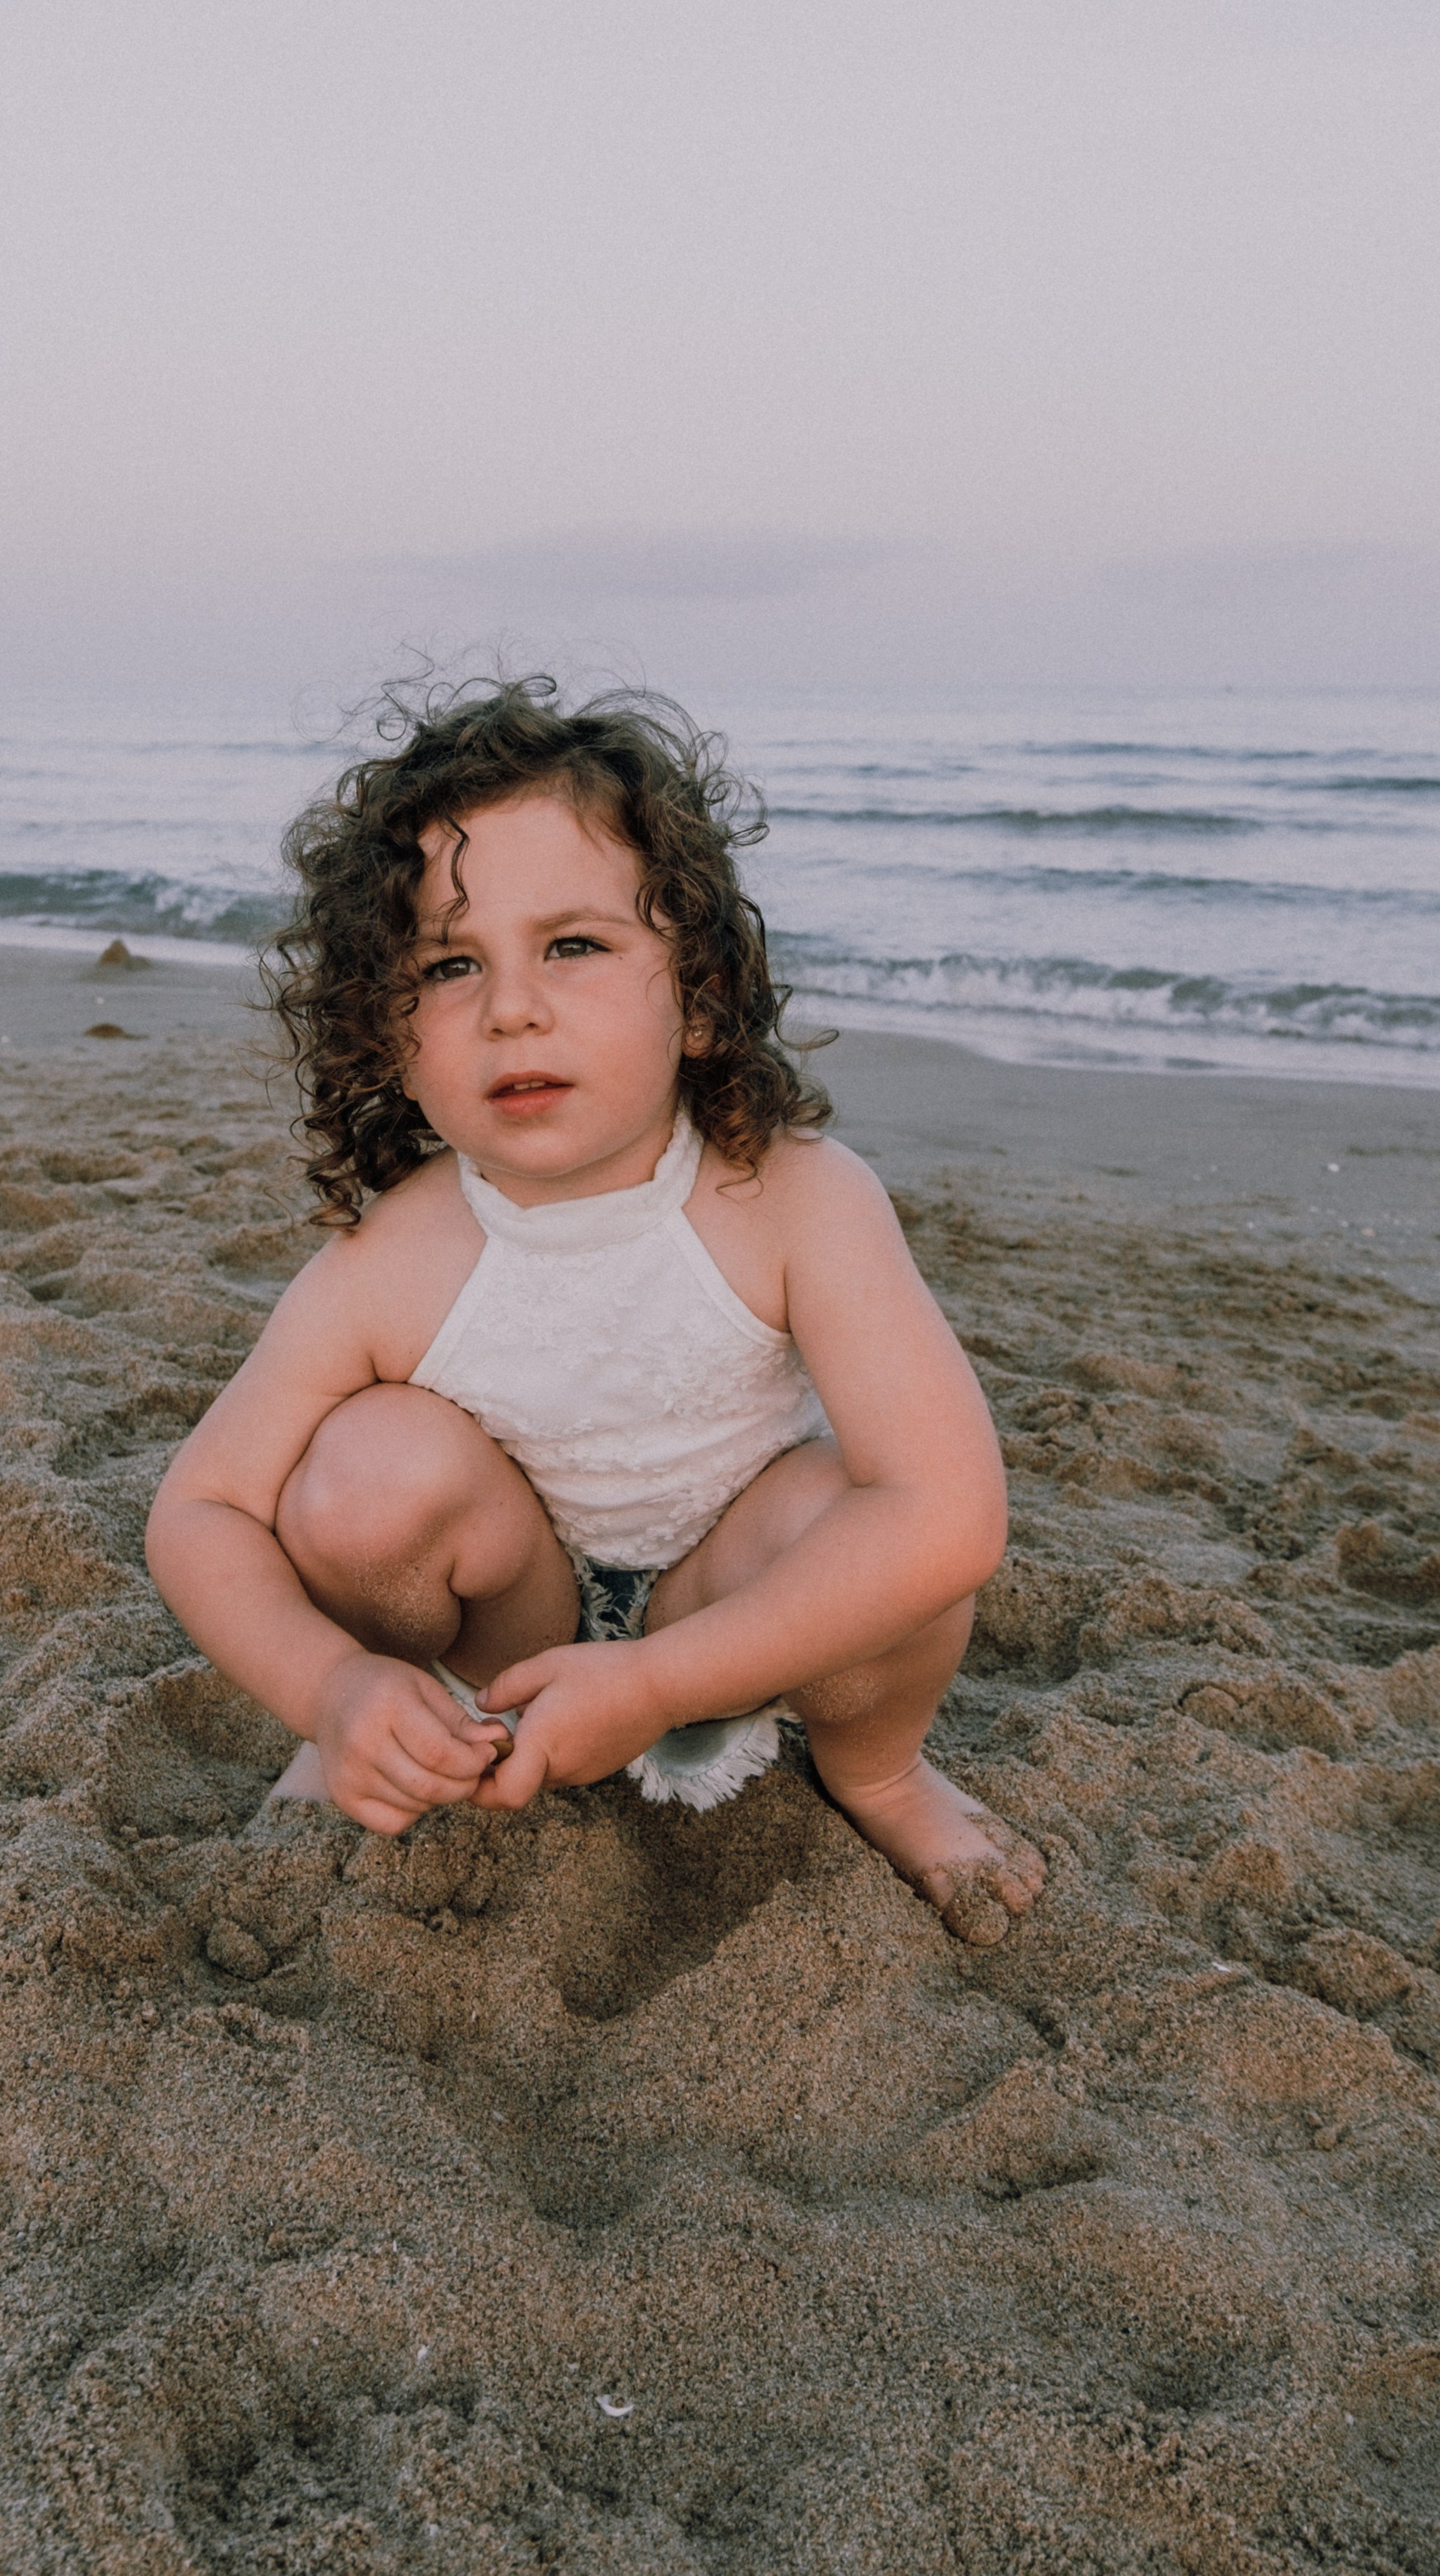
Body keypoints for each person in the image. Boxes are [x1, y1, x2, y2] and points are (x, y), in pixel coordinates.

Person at [145, 679, 1044, 1943]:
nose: (512, 1005)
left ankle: (879, 1774)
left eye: (573, 945)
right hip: (503, 1630)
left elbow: (952, 1514)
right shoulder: (390, 1256)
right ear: (389, 1036)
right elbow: (201, 1509)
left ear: (698, 996)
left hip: (727, 1605)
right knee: (356, 1474)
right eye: (450, 966)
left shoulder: (794, 1199)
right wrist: (331, 1683)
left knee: (879, 1534)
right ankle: (393, 1724)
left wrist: (657, 1680)